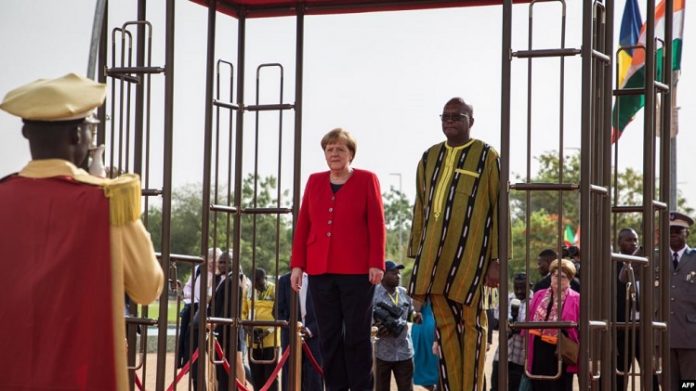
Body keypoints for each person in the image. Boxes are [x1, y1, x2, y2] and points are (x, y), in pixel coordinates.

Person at [0, 73, 164, 390]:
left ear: (25, 131)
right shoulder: (109, 200)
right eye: (90, 128)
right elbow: (148, 287)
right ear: (78, 135)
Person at [407, 97, 500, 391]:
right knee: (445, 331)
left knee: (473, 330)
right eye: (445, 116)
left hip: (472, 260)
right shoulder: (429, 157)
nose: (449, 120)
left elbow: (499, 207)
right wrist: (417, 256)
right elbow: (421, 207)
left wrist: (497, 259)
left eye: (457, 116)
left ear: (471, 121)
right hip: (434, 260)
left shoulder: (486, 156)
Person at [290, 128, 386, 391]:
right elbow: (304, 224)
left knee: (356, 336)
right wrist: (297, 265)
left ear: (350, 154)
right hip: (320, 269)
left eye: (340, 149)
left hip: (357, 271)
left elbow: (377, 223)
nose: (334, 154)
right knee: (328, 337)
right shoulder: (314, 181)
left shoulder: (367, 180)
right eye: (329, 149)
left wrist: (376, 261)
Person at [615, 228, 659, 390]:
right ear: (619, 242)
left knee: (651, 372)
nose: (633, 243)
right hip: (622, 327)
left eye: (635, 240)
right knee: (619, 373)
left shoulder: (646, 264)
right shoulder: (613, 264)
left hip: (644, 326)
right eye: (628, 240)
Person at [526, 259, 579, 391]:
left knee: (559, 386)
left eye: (563, 276)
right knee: (538, 384)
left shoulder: (577, 298)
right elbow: (529, 320)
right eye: (555, 275)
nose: (558, 279)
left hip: (561, 352)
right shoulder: (539, 295)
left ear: (570, 279)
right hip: (538, 349)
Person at [372, 260, 421, 391]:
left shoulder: (404, 293)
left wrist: (416, 316)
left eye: (398, 273)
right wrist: (377, 329)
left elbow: (411, 313)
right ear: (383, 274)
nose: (398, 276)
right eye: (393, 273)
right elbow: (366, 322)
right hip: (383, 353)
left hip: (404, 352)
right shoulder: (373, 295)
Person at [210, 251, 250, 390]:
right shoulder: (227, 279)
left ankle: (241, 387)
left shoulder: (233, 280)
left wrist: (215, 323)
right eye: (220, 262)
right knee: (226, 362)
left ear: (233, 263)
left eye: (225, 262)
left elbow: (230, 307)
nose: (221, 265)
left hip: (229, 327)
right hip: (224, 326)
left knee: (236, 360)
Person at [277, 271, 323, 391]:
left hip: (314, 337)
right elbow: (277, 311)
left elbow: (326, 312)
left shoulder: (319, 279)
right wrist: (291, 327)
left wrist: (309, 330)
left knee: (314, 378)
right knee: (290, 378)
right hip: (290, 338)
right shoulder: (284, 280)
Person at [178, 247, 223, 368]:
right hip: (195, 311)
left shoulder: (222, 275)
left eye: (215, 262)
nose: (212, 266)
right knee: (192, 349)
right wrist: (193, 299)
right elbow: (188, 287)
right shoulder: (198, 269)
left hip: (212, 316)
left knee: (219, 356)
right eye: (210, 263)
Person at [668, 211, 696, 387]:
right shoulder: (655, 256)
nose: (673, 234)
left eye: (678, 230)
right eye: (669, 230)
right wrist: (647, 246)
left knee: (690, 384)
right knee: (669, 384)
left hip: (690, 334)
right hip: (664, 333)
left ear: (687, 233)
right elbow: (625, 277)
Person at [490, 272, 527, 391]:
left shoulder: (534, 300)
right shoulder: (506, 299)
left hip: (520, 356)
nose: (519, 291)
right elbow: (495, 321)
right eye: (517, 288)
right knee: (496, 386)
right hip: (502, 353)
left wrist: (520, 328)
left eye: (522, 288)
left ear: (529, 286)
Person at [249, 267, 279, 391]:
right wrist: (248, 329)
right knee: (256, 374)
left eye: (258, 281)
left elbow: (278, 314)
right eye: (253, 281)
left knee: (271, 374)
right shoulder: (249, 290)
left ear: (265, 279)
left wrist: (268, 331)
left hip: (270, 339)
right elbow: (244, 312)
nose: (256, 284)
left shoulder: (274, 290)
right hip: (252, 339)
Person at [411, 299, 439, 390]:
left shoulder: (421, 286)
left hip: (423, 325)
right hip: (437, 324)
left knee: (423, 372)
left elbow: (416, 308)